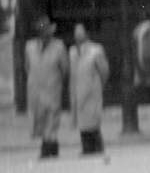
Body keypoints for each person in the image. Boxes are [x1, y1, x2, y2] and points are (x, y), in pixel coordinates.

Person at [25, 14, 68, 159]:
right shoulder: (30, 47)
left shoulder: (59, 46)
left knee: (52, 117)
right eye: (42, 33)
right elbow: (27, 67)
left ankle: (50, 148)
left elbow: (64, 69)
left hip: (52, 88)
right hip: (36, 90)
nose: (44, 36)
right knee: (40, 118)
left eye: (47, 33)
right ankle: (47, 145)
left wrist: (56, 81)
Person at [68, 22, 110, 157]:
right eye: (76, 32)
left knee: (92, 120)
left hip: (92, 90)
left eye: (80, 32)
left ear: (86, 34)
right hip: (78, 90)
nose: (78, 35)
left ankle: (97, 146)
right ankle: (86, 147)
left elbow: (104, 71)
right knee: (82, 121)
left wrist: (98, 85)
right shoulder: (72, 52)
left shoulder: (96, 50)